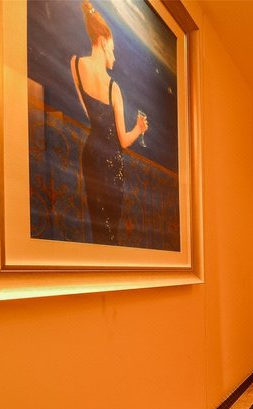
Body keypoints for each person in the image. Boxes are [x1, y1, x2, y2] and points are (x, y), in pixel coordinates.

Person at [70, 0, 148, 245]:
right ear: (103, 42)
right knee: (111, 231)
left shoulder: (75, 64)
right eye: (113, 49)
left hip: (90, 153)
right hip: (112, 161)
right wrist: (139, 128)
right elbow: (123, 141)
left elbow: (88, 112)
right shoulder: (114, 88)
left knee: (97, 224)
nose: (114, 57)